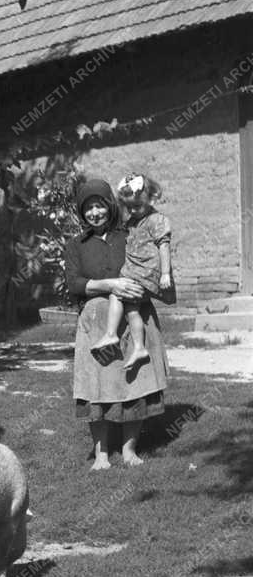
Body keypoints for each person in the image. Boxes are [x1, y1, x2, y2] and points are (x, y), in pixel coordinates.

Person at [64, 177, 169, 470]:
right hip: (97, 326)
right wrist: (111, 284)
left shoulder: (130, 235)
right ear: (81, 212)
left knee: (133, 383)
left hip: (135, 318)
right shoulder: (76, 245)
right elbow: (74, 284)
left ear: (110, 206)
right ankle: (100, 454)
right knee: (97, 387)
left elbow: (150, 264)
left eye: (99, 205)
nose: (94, 212)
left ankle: (129, 450)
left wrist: (140, 286)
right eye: (88, 208)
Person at [91, 173, 173, 370]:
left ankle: (111, 335)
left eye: (138, 206)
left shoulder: (157, 220)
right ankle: (139, 347)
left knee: (117, 293)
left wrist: (165, 273)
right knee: (130, 307)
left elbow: (164, 246)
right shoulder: (133, 222)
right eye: (130, 207)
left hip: (147, 274)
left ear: (152, 199)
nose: (134, 211)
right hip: (135, 273)